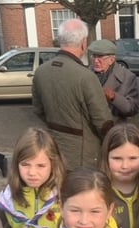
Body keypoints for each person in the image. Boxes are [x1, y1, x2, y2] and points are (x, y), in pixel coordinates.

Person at [32, 18, 113, 168]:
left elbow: (38, 109)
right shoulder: (86, 77)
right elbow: (103, 121)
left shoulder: (41, 72)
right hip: (84, 154)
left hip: (54, 147)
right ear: (84, 43)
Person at [88, 39, 139, 121]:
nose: (96, 61)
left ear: (111, 60)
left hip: (113, 128)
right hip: (89, 129)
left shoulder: (127, 77)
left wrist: (114, 97)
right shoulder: (85, 73)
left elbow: (132, 109)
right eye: (94, 56)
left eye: (100, 57)